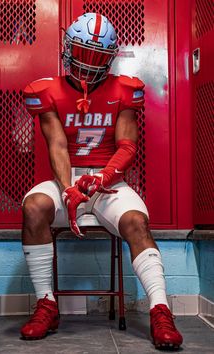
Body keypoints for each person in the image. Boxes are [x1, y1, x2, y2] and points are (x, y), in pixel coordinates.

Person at [20, 12, 183, 349]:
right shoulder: (47, 90)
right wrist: (67, 190)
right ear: (68, 48)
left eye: (97, 57)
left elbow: (126, 146)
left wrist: (102, 177)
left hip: (107, 179)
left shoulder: (124, 89)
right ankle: (47, 304)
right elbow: (58, 146)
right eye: (83, 53)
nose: (88, 63)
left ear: (110, 58)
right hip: (67, 177)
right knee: (34, 207)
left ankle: (160, 309)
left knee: (137, 222)